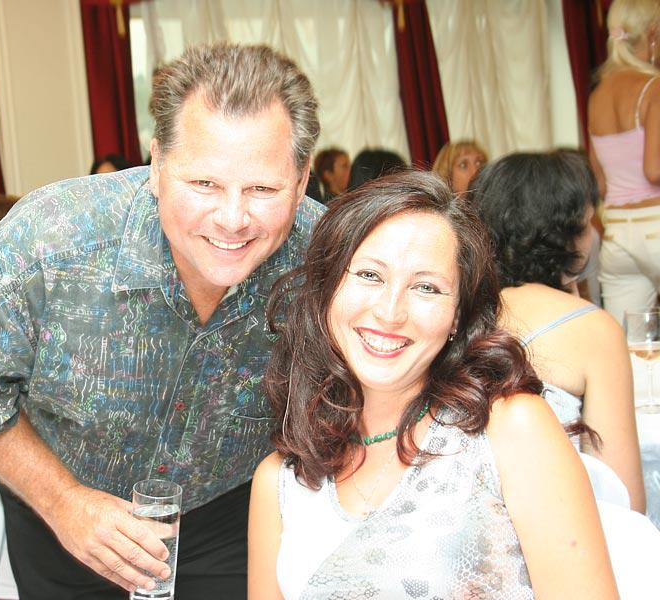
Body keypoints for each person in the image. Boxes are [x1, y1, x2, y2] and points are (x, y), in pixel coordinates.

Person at [0, 42, 323, 600]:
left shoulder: (328, 261)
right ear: (157, 166)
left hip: (230, 522)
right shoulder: (49, 243)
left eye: (262, 189)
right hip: (63, 518)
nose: (232, 219)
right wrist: (63, 502)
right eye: (204, 184)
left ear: (301, 181)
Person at [248, 171, 617, 598]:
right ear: (328, 288)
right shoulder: (280, 483)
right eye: (369, 275)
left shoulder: (510, 429)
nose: (390, 313)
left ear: (458, 315)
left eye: (426, 287)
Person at [471, 151, 645, 512]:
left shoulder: (458, 308)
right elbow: (623, 499)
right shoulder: (591, 328)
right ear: (566, 234)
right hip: (561, 523)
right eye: (588, 220)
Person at [588, 0, 660, 324]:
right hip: (656, 223)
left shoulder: (597, 94)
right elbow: (654, 169)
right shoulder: (653, 88)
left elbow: (600, 184)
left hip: (618, 235)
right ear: (653, 34)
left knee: (626, 341)